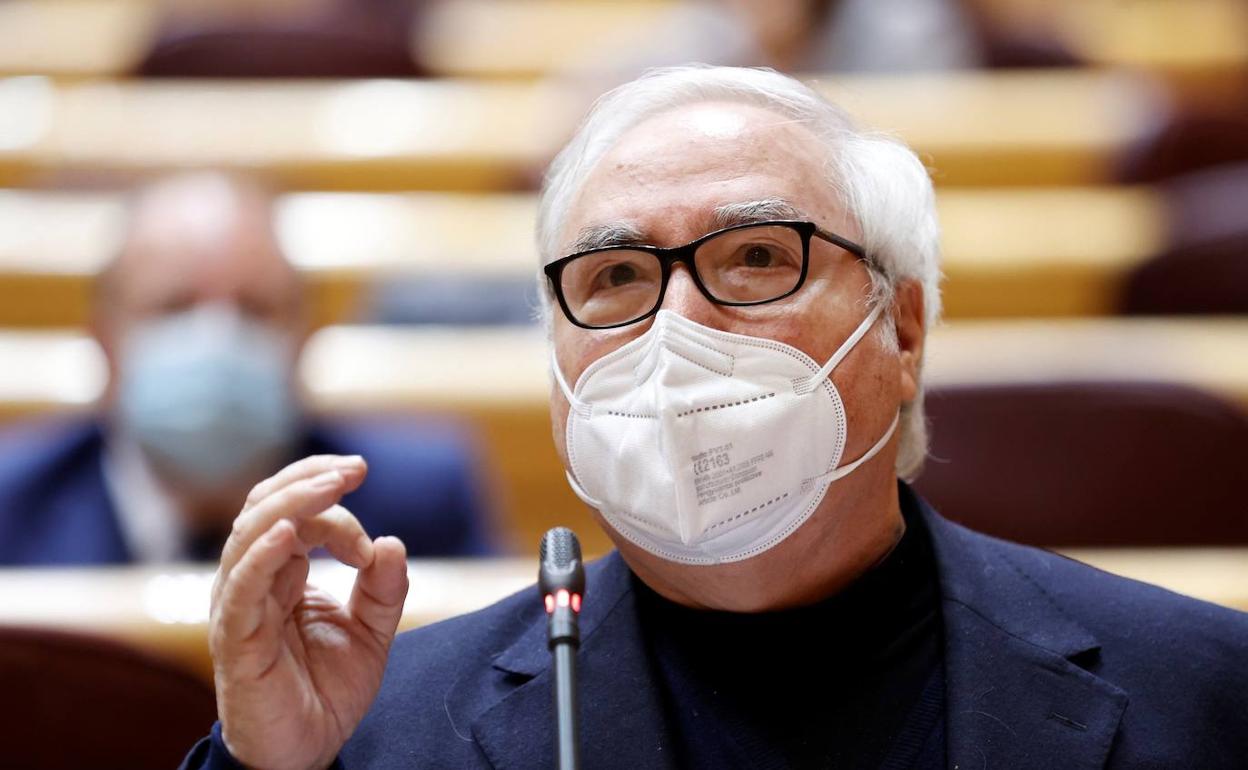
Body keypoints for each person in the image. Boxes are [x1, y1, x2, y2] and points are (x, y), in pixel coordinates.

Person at [183, 67, 1248, 768]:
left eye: (756, 258)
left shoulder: (1205, 691)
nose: (677, 326)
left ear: (902, 328)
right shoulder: (383, 733)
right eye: (614, 276)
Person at [0, 172, 495, 564]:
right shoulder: (12, 503)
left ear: (304, 340)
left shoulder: (420, 501)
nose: (217, 339)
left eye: (256, 309)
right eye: (174, 307)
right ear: (104, 342)